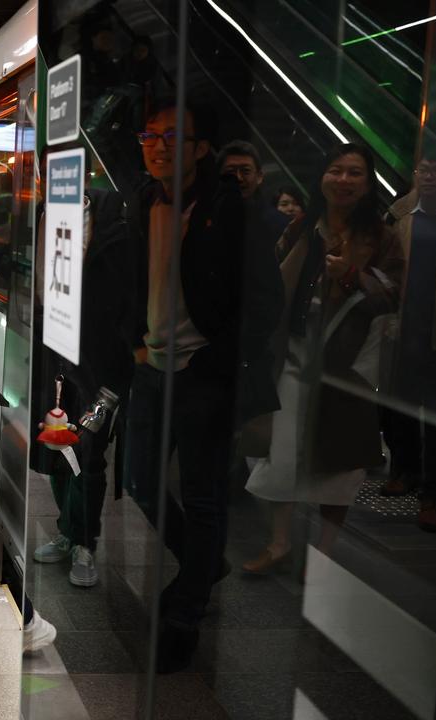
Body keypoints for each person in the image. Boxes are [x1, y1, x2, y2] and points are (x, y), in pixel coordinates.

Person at [119, 102, 281, 673]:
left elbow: (263, 303)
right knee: (139, 481)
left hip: (202, 373)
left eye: (173, 137)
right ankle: (202, 566)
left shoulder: (229, 210)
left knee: (204, 494)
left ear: (200, 148)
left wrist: (223, 363)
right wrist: (135, 343)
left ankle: (186, 610)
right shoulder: (142, 202)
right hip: (151, 367)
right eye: (150, 135)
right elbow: (128, 280)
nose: (158, 145)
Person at [244, 143, 404, 566]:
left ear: (368, 184)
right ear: (322, 177)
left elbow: (395, 294)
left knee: (341, 460)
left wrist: (352, 277)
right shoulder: (301, 227)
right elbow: (271, 279)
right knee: (282, 449)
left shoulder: (382, 236)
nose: (344, 180)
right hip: (293, 354)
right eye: (336, 170)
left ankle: (325, 551)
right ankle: (279, 542)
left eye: (355, 173)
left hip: (346, 364)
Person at [31, 182, 134, 588]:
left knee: (88, 455)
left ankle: (85, 542)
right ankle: (68, 531)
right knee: (57, 447)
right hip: (54, 364)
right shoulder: (45, 227)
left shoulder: (117, 241)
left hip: (99, 373)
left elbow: (126, 310)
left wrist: (117, 379)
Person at [377, 145, 436, 531]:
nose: (428, 177)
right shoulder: (399, 215)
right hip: (404, 328)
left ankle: (435, 493)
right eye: (423, 170)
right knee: (400, 406)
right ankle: (405, 470)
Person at [218, 140, 290, 242]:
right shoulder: (203, 217)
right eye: (231, 171)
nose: (238, 178)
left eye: (245, 171)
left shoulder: (280, 225)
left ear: (259, 176)